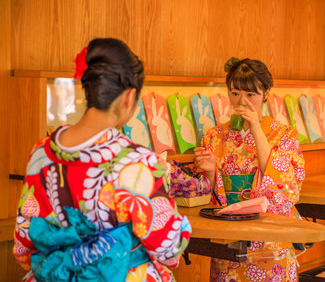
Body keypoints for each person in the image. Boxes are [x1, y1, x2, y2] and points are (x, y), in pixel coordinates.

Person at [13, 38, 191, 282]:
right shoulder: (137, 162)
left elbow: (24, 242)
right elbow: (167, 247)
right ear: (129, 98)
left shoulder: (41, 153)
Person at [194, 58, 305, 281]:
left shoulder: (285, 135)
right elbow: (206, 195)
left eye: (250, 95)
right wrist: (209, 172)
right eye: (235, 93)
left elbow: (287, 185)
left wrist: (255, 127)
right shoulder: (213, 136)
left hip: (269, 244)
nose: (241, 101)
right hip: (228, 242)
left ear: (266, 94)